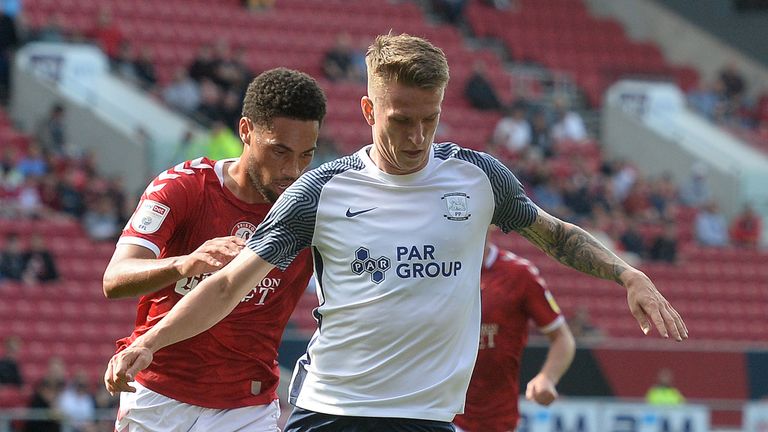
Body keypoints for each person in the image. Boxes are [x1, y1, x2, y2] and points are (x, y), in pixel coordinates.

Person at [105, 33, 687, 431]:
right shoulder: (321, 191)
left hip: (428, 416)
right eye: (400, 120)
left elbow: (553, 233)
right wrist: (149, 342)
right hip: (328, 409)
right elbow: (231, 284)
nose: (415, 137)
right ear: (367, 110)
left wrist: (626, 274)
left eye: (429, 120)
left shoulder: (478, 177)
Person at [101, 68, 327, 432]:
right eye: (280, 151)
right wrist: (184, 264)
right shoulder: (184, 188)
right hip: (159, 393)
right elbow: (114, 279)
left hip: (246, 406)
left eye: (306, 155)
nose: (293, 170)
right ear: (246, 131)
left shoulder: (313, 210)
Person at [454, 230, 575, 432]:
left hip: (496, 419)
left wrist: (547, 377)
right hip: (441, 414)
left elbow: (562, 338)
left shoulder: (519, 274)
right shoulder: (436, 272)